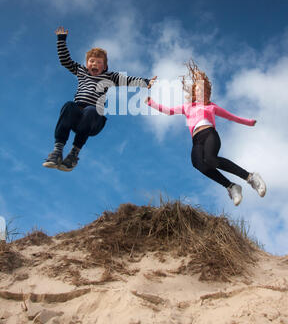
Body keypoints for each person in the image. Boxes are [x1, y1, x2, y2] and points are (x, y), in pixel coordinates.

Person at [145, 60, 266, 206]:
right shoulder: (187, 107)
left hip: (209, 134)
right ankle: (232, 187)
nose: (200, 92)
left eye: (203, 90)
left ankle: (251, 177)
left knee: (210, 159)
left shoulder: (211, 106)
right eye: (198, 90)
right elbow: (170, 111)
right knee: (197, 163)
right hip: (196, 140)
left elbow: (231, 117)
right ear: (194, 92)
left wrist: (248, 122)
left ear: (207, 92)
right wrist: (152, 103)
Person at [43, 26, 157, 171]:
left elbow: (127, 80)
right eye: (91, 61)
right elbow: (65, 60)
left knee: (91, 110)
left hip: (94, 120)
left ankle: (74, 153)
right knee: (68, 106)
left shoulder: (110, 76)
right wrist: (61, 40)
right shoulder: (81, 71)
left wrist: (146, 82)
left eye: (98, 62)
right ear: (86, 64)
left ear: (104, 66)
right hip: (76, 116)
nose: (94, 64)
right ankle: (57, 151)